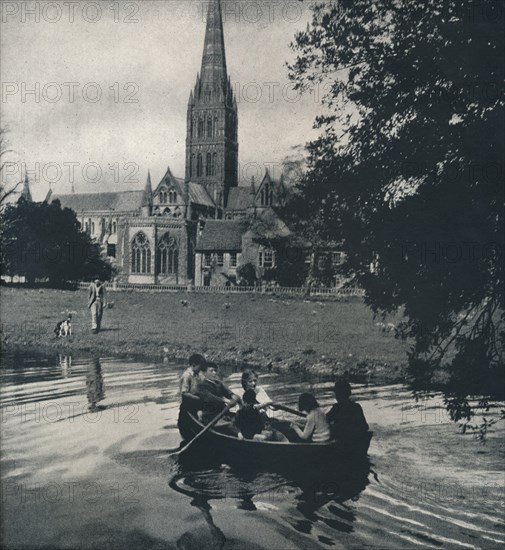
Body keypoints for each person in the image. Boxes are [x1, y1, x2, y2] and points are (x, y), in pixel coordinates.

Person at [177, 353, 206, 437]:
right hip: (188, 404)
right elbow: (184, 393)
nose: (201, 370)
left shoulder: (197, 375)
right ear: (193, 365)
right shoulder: (187, 376)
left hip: (196, 402)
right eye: (200, 367)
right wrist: (198, 398)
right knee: (187, 428)